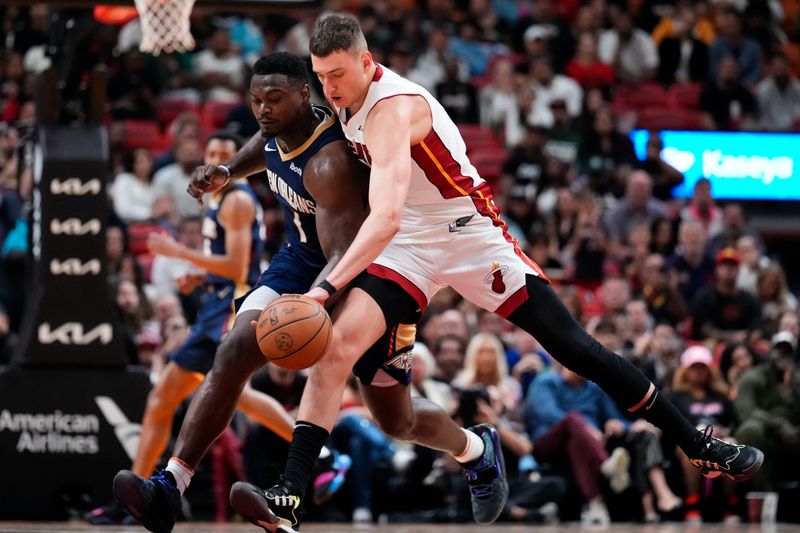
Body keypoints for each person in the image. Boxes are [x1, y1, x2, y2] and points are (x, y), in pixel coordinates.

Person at [229, 14, 763, 533]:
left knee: (573, 346)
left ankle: (698, 444)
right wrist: (230, 171)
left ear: (367, 62)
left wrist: (324, 288)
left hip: (467, 233)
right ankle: (292, 493)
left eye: (337, 75)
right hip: (408, 245)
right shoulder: (338, 97)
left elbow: (385, 214)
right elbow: (287, 151)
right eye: (320, 77)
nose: (328, 87)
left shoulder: (394, 108)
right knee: (340, 352)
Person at [111, 52, 374, 533]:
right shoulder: (276, 128)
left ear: (303, 94)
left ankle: (459, 451)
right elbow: (265, 144)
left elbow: (344, 249)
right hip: (295, 258)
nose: (263, 110)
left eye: (274, 99)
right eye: (256, 100)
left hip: (347, 267)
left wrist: (312, 301)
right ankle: (171, 487)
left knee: (395, 416)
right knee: (231, 352)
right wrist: (228, 171)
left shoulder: (329, 162)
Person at [92, 131, 345, 525]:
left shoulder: (239, 201)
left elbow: (237, 268)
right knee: (164, 398)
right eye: (211, 152)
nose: (216, 159)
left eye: (225, 154)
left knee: (232, 391)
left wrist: (178, 253)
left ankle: (325, 454)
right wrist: (199, 279)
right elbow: (223, 267)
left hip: (235, 305)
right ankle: (140, 497)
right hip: (215, 302)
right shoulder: (220, 199)